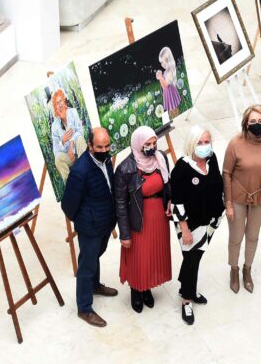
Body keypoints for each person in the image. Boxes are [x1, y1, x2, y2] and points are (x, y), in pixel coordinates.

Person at [60, 128, 118, 327]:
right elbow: (68, 205)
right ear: (90, 146)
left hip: (105, 221)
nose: (104, 150)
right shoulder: (80, 171)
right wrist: (86, 219)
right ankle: (84, 308)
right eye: (99, 147)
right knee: (86, 264)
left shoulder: (106, 160)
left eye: (107, 146)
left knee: (96, 256)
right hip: (90, 227)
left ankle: (95, 285)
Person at [114, 126, 173, 313]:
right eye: (147, 144)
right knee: (139, 257)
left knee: (152, 254)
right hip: (138, 220)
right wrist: (125, 234)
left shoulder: (161, 158)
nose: (152, 147)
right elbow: (120, 204)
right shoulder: (125, 169)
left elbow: (168, 184)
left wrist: (170, 200)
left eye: (154, 143)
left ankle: (146, 287)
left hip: (159, 218)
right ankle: (136, 289)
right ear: (138, 144)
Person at [170, 125, 224, 325]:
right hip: (189, 225)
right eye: (199, 142)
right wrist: (184, 230)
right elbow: (177, 202)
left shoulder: (212, 158)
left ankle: (187, 288)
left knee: (195, 258)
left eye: (207, 141)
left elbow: (218, 184)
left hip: (210, 221)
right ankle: (187, 299)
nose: (204, 146)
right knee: (192, 261)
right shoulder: (182, 168)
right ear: (191, 144)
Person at [223, 105, 261, 293]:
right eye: (253, 121)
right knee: (236, 236)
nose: (257, 124)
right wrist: (228, 203)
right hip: (237, 197)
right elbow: (226, 173)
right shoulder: (235, 143)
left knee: (253, 236)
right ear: (246, 123)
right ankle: (234, 269)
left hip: (260, 197)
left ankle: (247, 269)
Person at [50, 89, 87, 180]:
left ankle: (87, 174)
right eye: (57, 103)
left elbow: (80, 131)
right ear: (55, 107)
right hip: (69, 157)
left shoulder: (72, 112)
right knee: (58, 159)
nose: (60, 105)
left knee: (79, 139)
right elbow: (56, 151)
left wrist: (71, 143)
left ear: (64, 100)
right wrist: (62, 141)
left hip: (79, 150)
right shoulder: (55, 125)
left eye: (60, 101)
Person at [156, 47, 182, 118]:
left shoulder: (170, 72)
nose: (164, 63)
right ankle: (173, 117)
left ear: (170, 59)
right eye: (162, 62)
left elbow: (166, 85)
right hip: (167, 93)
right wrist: (160, 78)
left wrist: (161, 77)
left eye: (166, 60)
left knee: (173, 107)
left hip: (171, 93)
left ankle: (177, 117)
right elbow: (163, 87)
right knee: (170, 108)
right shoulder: (165, 72)